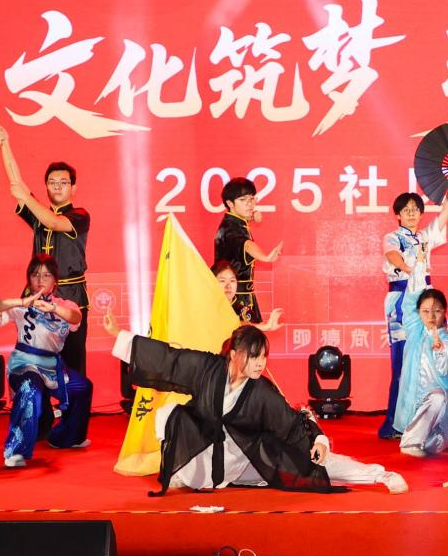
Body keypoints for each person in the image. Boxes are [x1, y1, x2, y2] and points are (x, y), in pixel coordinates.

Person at [105, 315, 408, 495]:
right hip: (204, 450)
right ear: (234, 354)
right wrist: (120, 337)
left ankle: (379, 474)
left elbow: (291, 424)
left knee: (313, 464)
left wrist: (318, 438)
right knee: (168, 414)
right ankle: (182, 471)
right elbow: (169, 360)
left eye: (263, 357)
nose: (261, 363)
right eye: (254, 356)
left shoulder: (261, 391)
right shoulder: (206, 368)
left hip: (246, 455)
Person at [0, 126, 92, 376]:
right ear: (46, 187)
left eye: (63, 183)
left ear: (74, 188)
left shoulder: (80, 216)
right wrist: (5, 144)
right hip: (38, 293)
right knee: (36, 354)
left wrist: (26, 197)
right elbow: (17, 184)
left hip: (71, 293)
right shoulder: (39, 214)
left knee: (72, 360)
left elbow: (53, 222)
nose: (57, 187)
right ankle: (38, 397)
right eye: (52, 182)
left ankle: (73, 398)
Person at [379, 160, 448, 439]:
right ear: (398, 215)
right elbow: (392, 255)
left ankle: (422, 421)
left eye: (416, 209)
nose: (412, 214)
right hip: (402, 299)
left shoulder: (425, 237)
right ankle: (394, 424)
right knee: (402, 362)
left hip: (425, 301)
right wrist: (409, 268)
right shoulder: (393, 237)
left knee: (428, 359)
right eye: (406, 210)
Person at [0, 254, 93, 468]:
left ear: (55, 281)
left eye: (46, 275)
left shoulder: (64, 305)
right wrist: (21, 302)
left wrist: (53, 308)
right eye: (35, 275)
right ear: (28, 279)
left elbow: (76, 318)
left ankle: (64, 437)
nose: (40, 280)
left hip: (52, 367)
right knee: (30, 387)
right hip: (24, 364)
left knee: (82, 387)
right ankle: (16, 451)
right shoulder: (21, 305)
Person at [393, 288, 448, 458]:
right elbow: (409, 300)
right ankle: (411, 442)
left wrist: (440, 349)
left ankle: (421, 438)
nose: (431, 316)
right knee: (426, 438)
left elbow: (446, 369)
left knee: (438, 398)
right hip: (414, 400)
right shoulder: (414, 332)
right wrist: (418, 271)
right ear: (418, 313)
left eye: (437, 311)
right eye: (425, 311)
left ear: (444, 311)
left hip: (438, 403)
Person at [213, 177, 281, 325]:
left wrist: (252, 216)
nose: (249, 204)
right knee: (243, 336)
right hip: (235, 298)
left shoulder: (233, 222)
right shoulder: (230, 231)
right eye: (243, 200)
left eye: (252, 199)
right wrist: (266, 257)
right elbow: (246, 245)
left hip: (241, 296)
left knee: (250, 335)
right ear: (230, 203)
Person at [212, 260, 283, 332]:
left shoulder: (245, 312)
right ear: (212, 283)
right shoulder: (208, 307)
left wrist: (265, 327)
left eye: (232, 281)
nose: (228, 286)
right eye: (222, 281)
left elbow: (253, 332)